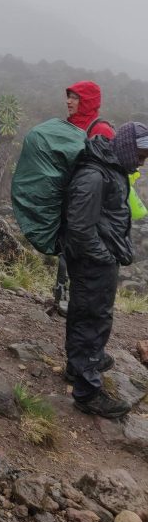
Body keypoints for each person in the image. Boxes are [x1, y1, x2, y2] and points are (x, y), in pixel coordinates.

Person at [62, 121, 148, 418]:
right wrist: (104, 257)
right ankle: (88, 392)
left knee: (84, 313)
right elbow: (80, 228)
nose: (142, 160)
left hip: (96, 258)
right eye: (141, 153)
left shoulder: (110, 169)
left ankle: (78, 367)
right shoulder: (94, 175)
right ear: (126, 147)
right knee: (93, 320)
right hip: (93, 261)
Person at [54, 81, 116, 311]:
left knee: (82, 252)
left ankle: (79, 302)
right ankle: (61, 296)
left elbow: (111, 176)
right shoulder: (69, 126)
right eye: (68, 96)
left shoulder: (102, 131)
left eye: (75, 97)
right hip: (70, 201)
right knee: (66, 248)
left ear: (87, 101)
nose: (68, 101)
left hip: (92, 207)